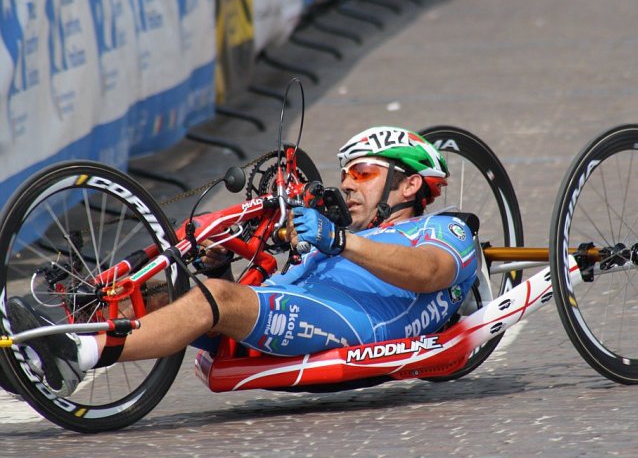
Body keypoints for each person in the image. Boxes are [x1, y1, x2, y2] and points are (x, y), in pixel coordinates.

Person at [8, 126, 478, 397]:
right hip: (297, 312)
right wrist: (217, 264)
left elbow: (428, 274)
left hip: (357, 326)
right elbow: (276, 294)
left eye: (363, 172)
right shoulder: (352, 235)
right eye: (345, 173)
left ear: (411, 184)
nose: (347, 183)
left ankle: (79, 356)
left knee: (216, 298)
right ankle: (42, 348)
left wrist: (339, 241)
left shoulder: (443, 232)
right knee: (170, 287)